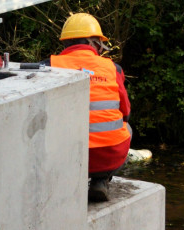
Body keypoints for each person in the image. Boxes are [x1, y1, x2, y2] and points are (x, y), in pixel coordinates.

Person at [49, 13, 132, 203]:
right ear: (93, 43)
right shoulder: (113, 68)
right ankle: (100, 181)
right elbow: (126, 112)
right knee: (127, 128)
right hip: (109, 156)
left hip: (67, 157)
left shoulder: (50, 66)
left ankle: (65, 184)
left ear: (65, 43)